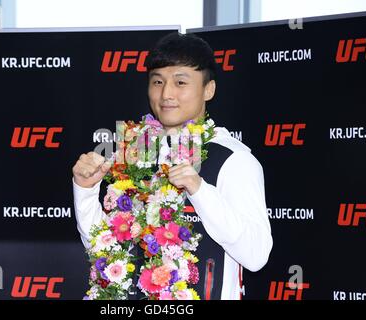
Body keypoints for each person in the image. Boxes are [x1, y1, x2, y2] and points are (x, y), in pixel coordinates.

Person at [72, 32, 273, 300]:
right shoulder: (136, 151)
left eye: (180, 82)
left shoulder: (233, 159)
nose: (166, 94)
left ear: (208, 89)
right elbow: (103, 252)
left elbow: (256, 255)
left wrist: (199, 190)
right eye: (157, 81)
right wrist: (85, 191)